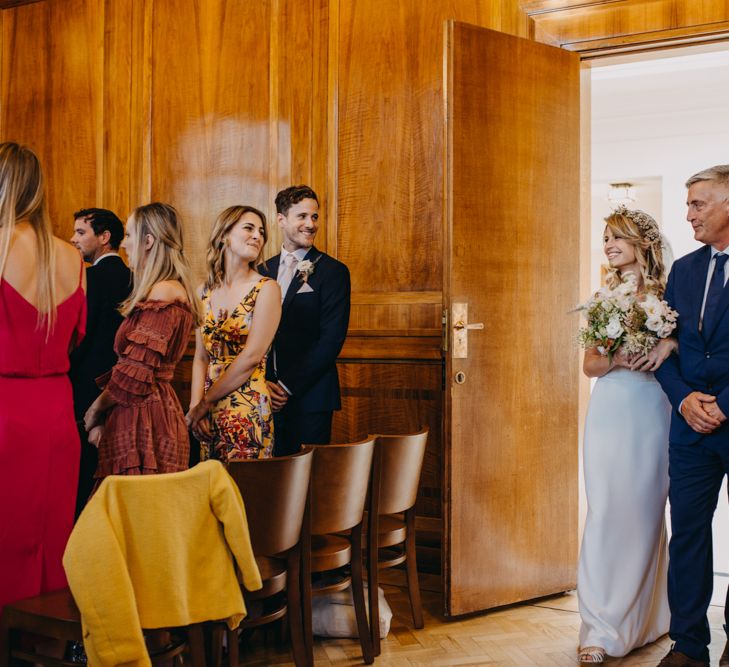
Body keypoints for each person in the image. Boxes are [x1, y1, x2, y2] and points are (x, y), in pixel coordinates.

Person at [577, 207, 675, 664]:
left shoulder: (670, 294)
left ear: (642, 243)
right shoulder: (602, 297)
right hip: (611, 408)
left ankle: (648, 619)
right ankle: (598, 626)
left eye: (618, 237)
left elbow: (689, 346)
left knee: (644, 512)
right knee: (605, 511)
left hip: (653, 408)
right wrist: (615, 359)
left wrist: (666, 343)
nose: (610, 245)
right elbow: (590, 364)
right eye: (607, 238)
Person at [0, 142, 86, 612]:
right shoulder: (71, 258)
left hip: (6, 411)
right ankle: (46, 642)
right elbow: (75, 338)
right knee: (52, 536)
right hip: (56, 413)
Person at [655, 165, 729, 667]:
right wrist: (682, 398)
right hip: (689, 425)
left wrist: (724, 404)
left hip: (727, 412)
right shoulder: (683, 271)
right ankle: (688, 644)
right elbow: (666, 348)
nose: (688, 216)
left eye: (698, 204)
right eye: (688, 205)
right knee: (687, 534)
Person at [83, 202, 200, 483]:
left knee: (140, 513)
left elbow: (134, 374)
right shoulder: (165, 290)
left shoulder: (163, 292)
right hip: (146, 409)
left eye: (130, 235)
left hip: (145, 417)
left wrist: (94, 410)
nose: (124, 244)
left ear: (148, 241)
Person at [259, 185, 351, 456]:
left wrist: (286, 386)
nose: (310, 224)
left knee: (305, 481)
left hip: (311, 396)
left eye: (314, 217)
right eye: (302, 216)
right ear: (281, 219)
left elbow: (331, 339)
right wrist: (265, 384)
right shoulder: (262, 270)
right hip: (265, 395)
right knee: (269, 478)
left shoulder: (333, 271)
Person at [185, 205, 281, 461]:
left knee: (246, 490)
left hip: (246, 405)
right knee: (211, 487)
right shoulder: (202, 292)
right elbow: (201, 357)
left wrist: (205, 403)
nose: (257, 236)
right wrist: (196, 408)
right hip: (207, 409)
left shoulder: (266, 288)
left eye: (261, 232)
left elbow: (252, 357)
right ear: (224, 235)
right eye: (248, 228)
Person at [69, 207, 131, 515]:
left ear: (104, 237)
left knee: (85, 475)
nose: (73, 239)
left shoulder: (91, 277)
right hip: (125, 387)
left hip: (86, 385)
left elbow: (81, 333)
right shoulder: (134, 277)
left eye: (81, 233)